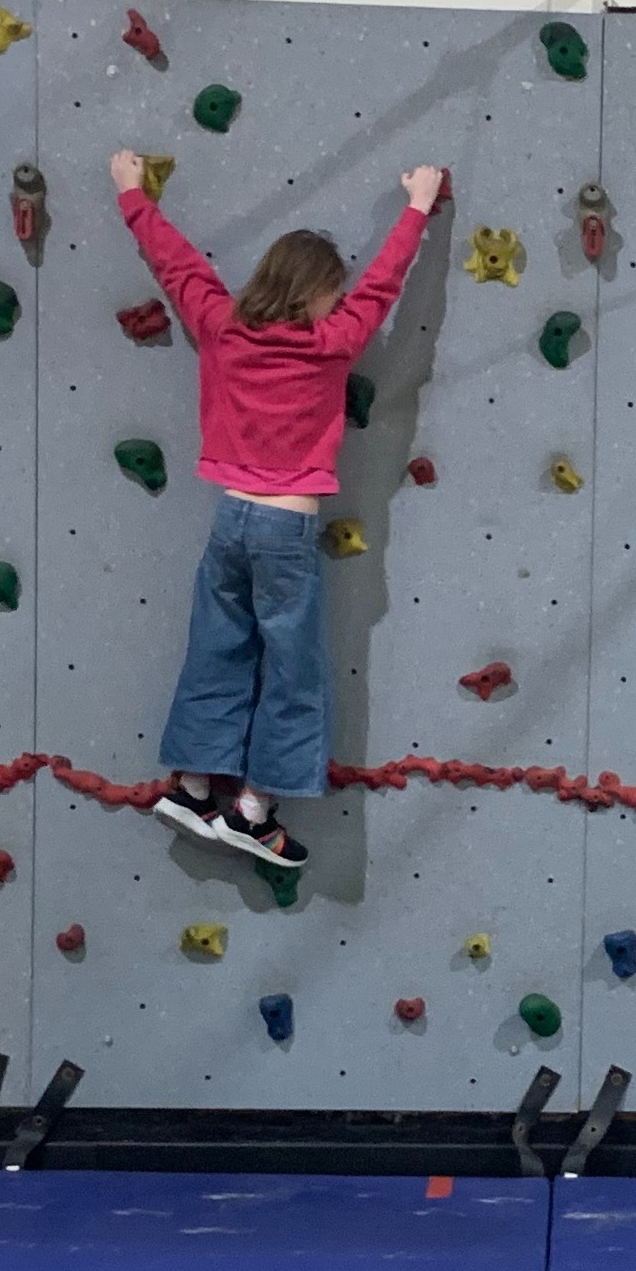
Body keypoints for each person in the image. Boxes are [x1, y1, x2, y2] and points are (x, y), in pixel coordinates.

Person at [114, 150, 443, 870]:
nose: (342, 298)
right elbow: (383, 287)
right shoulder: (329, 346)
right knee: (293, 669)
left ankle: (194, 785)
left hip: (230, 519)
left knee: (218, 647)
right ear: (316, 293)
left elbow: (178, 267)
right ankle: (254, 811)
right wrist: (417, 206)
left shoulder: (223, 330)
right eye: (335, 289)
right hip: (286, 528)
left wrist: (133, 195)